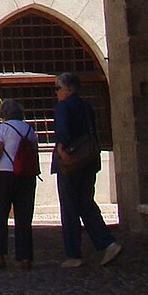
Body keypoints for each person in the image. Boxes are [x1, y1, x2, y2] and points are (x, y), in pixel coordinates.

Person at [53, 71, 121, 269]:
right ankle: (108, 243)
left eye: (57, 88)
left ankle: (74, 254)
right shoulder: (86, 105)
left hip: (71, 163)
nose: (56, 93)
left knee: (70, 208)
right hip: (89, 160)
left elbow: (63, 133)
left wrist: (61, 148)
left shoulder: (64, 106)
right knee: (86, 203)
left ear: (67, 90)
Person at [0, 97, 39, 269]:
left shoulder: (3, 128)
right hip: (27, 175)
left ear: (3, 114)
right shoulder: (29, 129)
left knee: (1, 215)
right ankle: (25, 257)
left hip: (5, 174)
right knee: (24, 216)